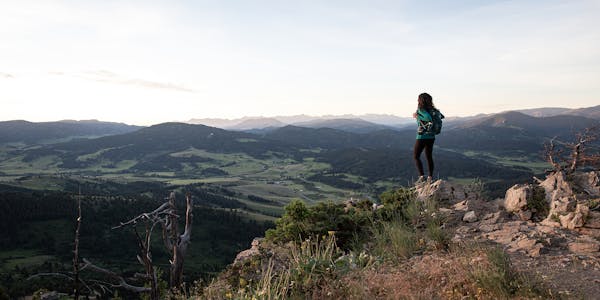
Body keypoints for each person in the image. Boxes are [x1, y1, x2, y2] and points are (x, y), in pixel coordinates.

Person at [412, 92, 437, 182]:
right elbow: (441, 116)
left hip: (422, 136)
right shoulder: (434, 110)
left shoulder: (421, 110)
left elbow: (427, 118)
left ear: (421, 100)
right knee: (429, 156)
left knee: (416, 156)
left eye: (418, 99)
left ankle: (421, 176)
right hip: (431, 136)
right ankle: (430, 176)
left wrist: (417, 116)